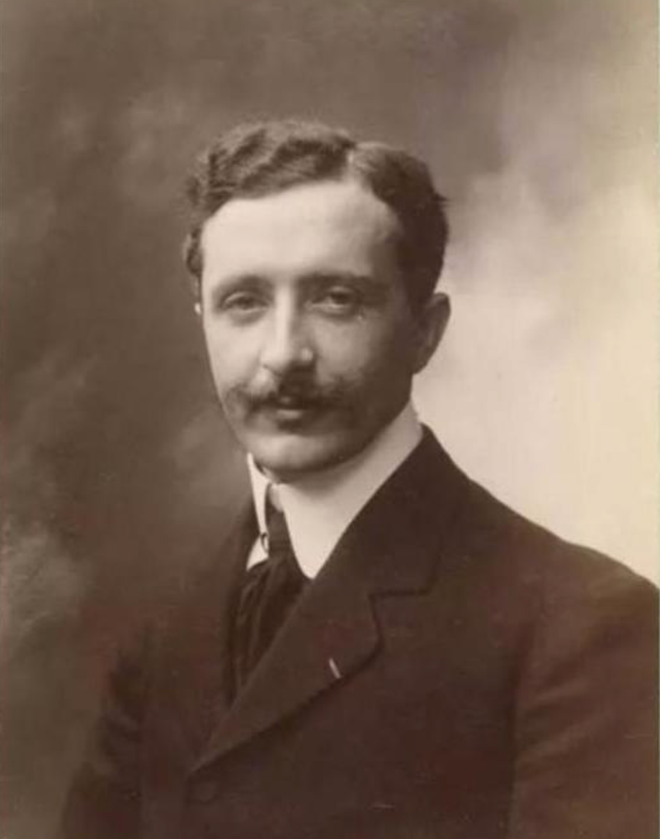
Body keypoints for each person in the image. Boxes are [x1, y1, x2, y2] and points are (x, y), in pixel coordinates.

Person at [58, 120, 658, 839]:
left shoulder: (581, 627)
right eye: (244, 301)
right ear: (203, 320)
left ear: (425, 331)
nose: (284, 354)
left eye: (336, 299)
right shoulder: (162, 632)